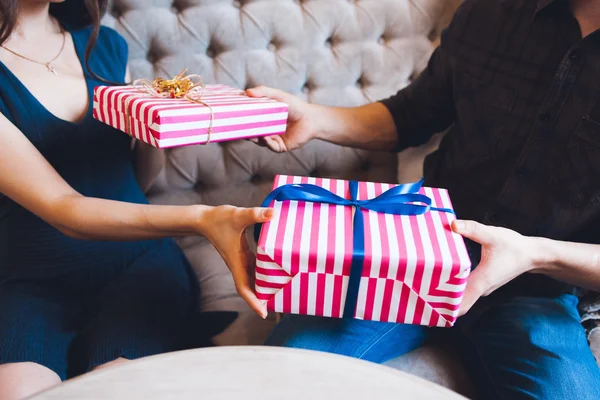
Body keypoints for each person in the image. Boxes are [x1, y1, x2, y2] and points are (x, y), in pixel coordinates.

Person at [246, 0, 600, 398]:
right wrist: (315, 118)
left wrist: (533, 254)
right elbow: (411, 114)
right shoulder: (493, 11)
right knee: (283, 377)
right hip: (410, 255)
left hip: (536, 286)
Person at [0, 1, 272, 399]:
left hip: (137, 261)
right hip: (32, 276)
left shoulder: (104, 46)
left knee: (120, 386)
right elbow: (63, 209)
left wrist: (153, 125)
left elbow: (140, 179)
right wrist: (202, 218)